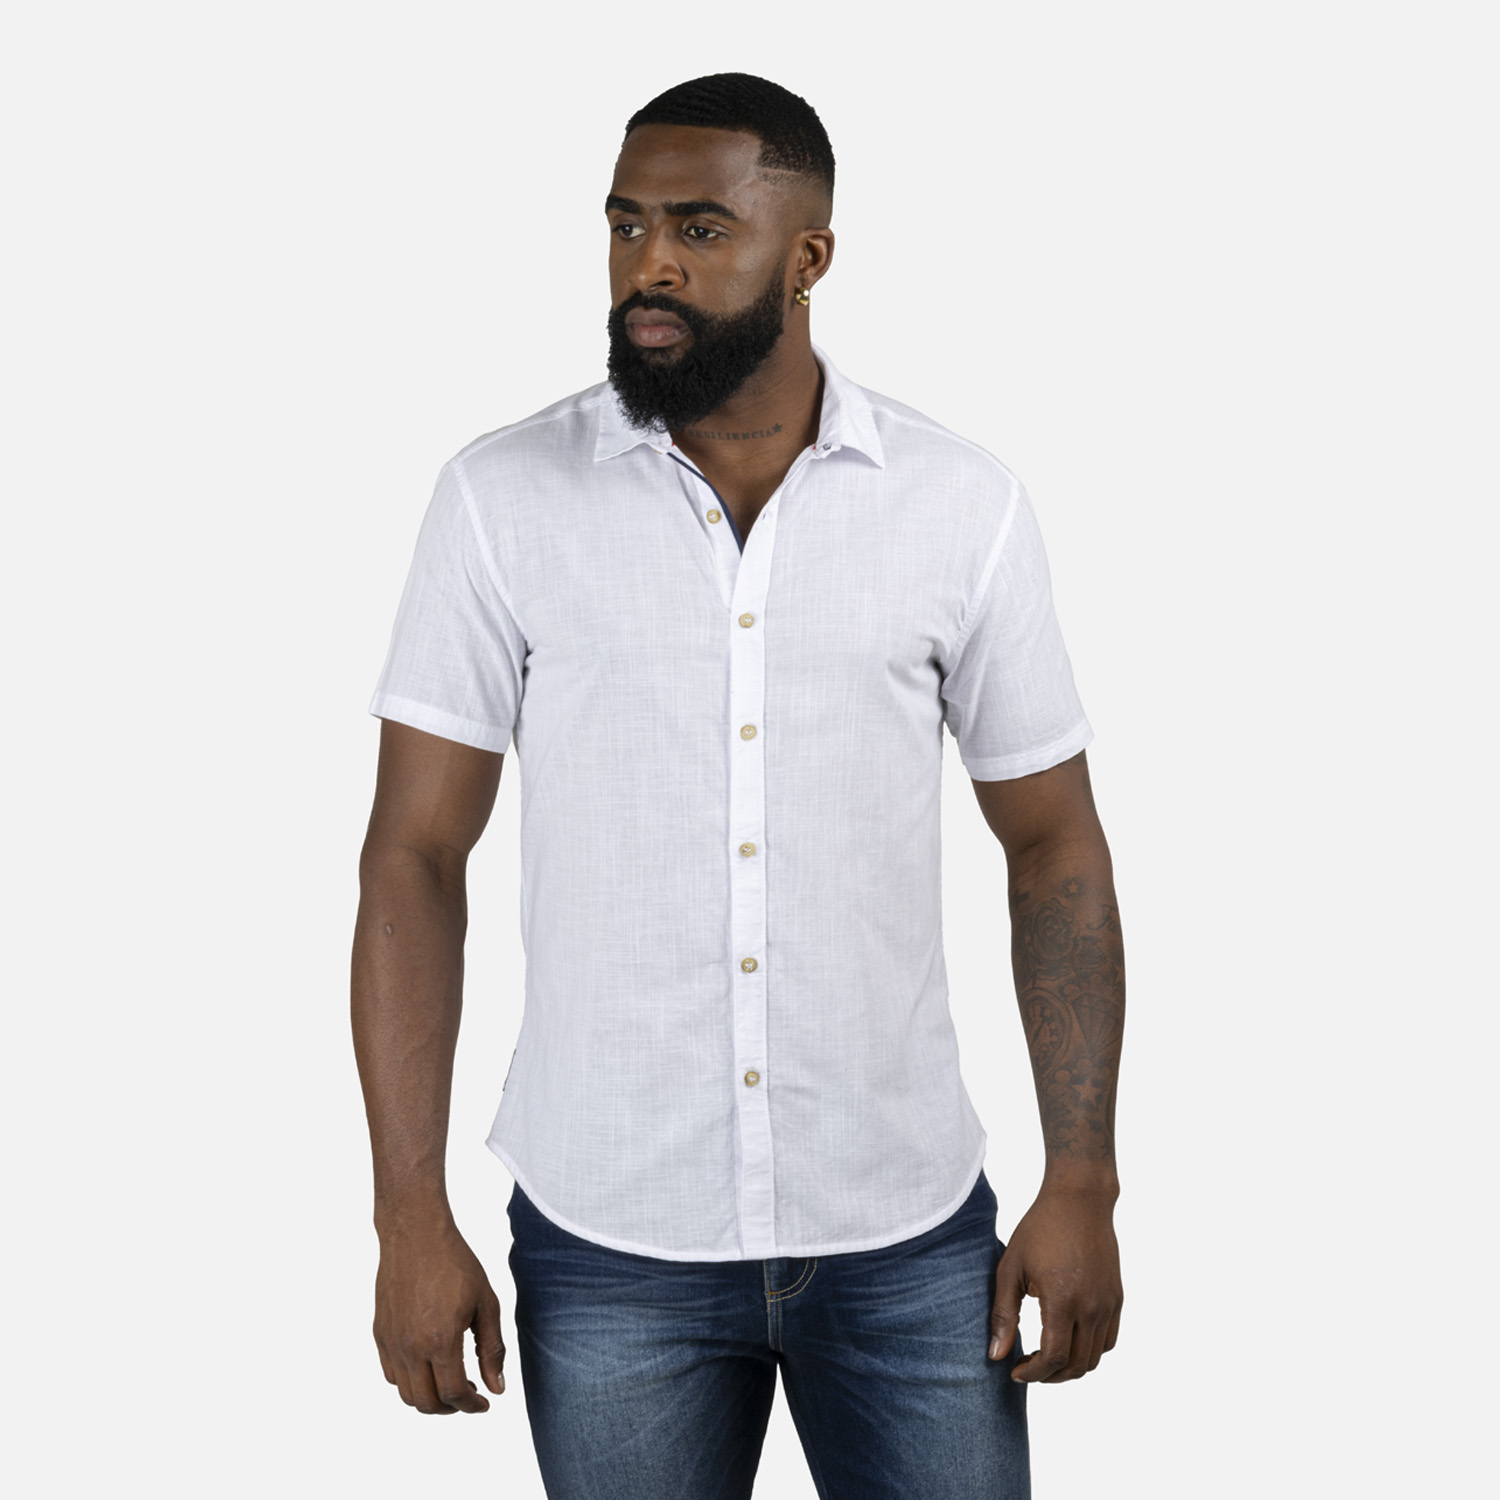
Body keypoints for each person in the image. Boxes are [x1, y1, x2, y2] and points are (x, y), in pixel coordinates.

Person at [352, 72, 1124, 1500]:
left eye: (701, 230)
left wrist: (1081, 1177)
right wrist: (409, 1212)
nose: (650, 263)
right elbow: (412, 855)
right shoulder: (499, 501)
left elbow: (1054, 844)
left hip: (905, 1233)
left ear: (808, 255)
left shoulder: (962, 506)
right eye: (627, 225)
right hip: (609, 1240)